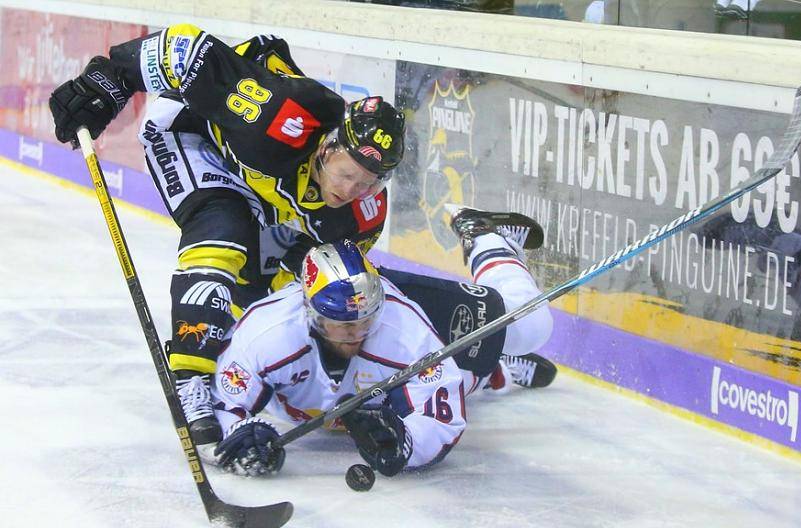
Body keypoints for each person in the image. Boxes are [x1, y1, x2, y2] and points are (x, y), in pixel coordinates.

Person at [48, 26, 406, 444]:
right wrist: (108, 82)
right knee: (223, 229)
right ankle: (191, 380)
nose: (352, 191)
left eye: (368, 184)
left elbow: (307, 289)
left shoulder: (361, 216)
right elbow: (187, 50)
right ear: (327, 148)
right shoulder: (275, 118)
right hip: (190, 131)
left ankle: (222, 356)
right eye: (346, 175)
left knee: (264, 288)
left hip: (257, 180)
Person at [207, 208, 556, 476]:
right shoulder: (267, 334)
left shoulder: (404, 331)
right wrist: (239, 432)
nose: (355, 333)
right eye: (342, 324)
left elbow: (440, 417)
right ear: (311, 314)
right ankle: (496, 372)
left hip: (409, 306)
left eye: (364, 322)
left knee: (531, 326)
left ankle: (485, 236)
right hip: (362, 357)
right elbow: (223, 401)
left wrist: (407, 445)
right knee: (457, 377)